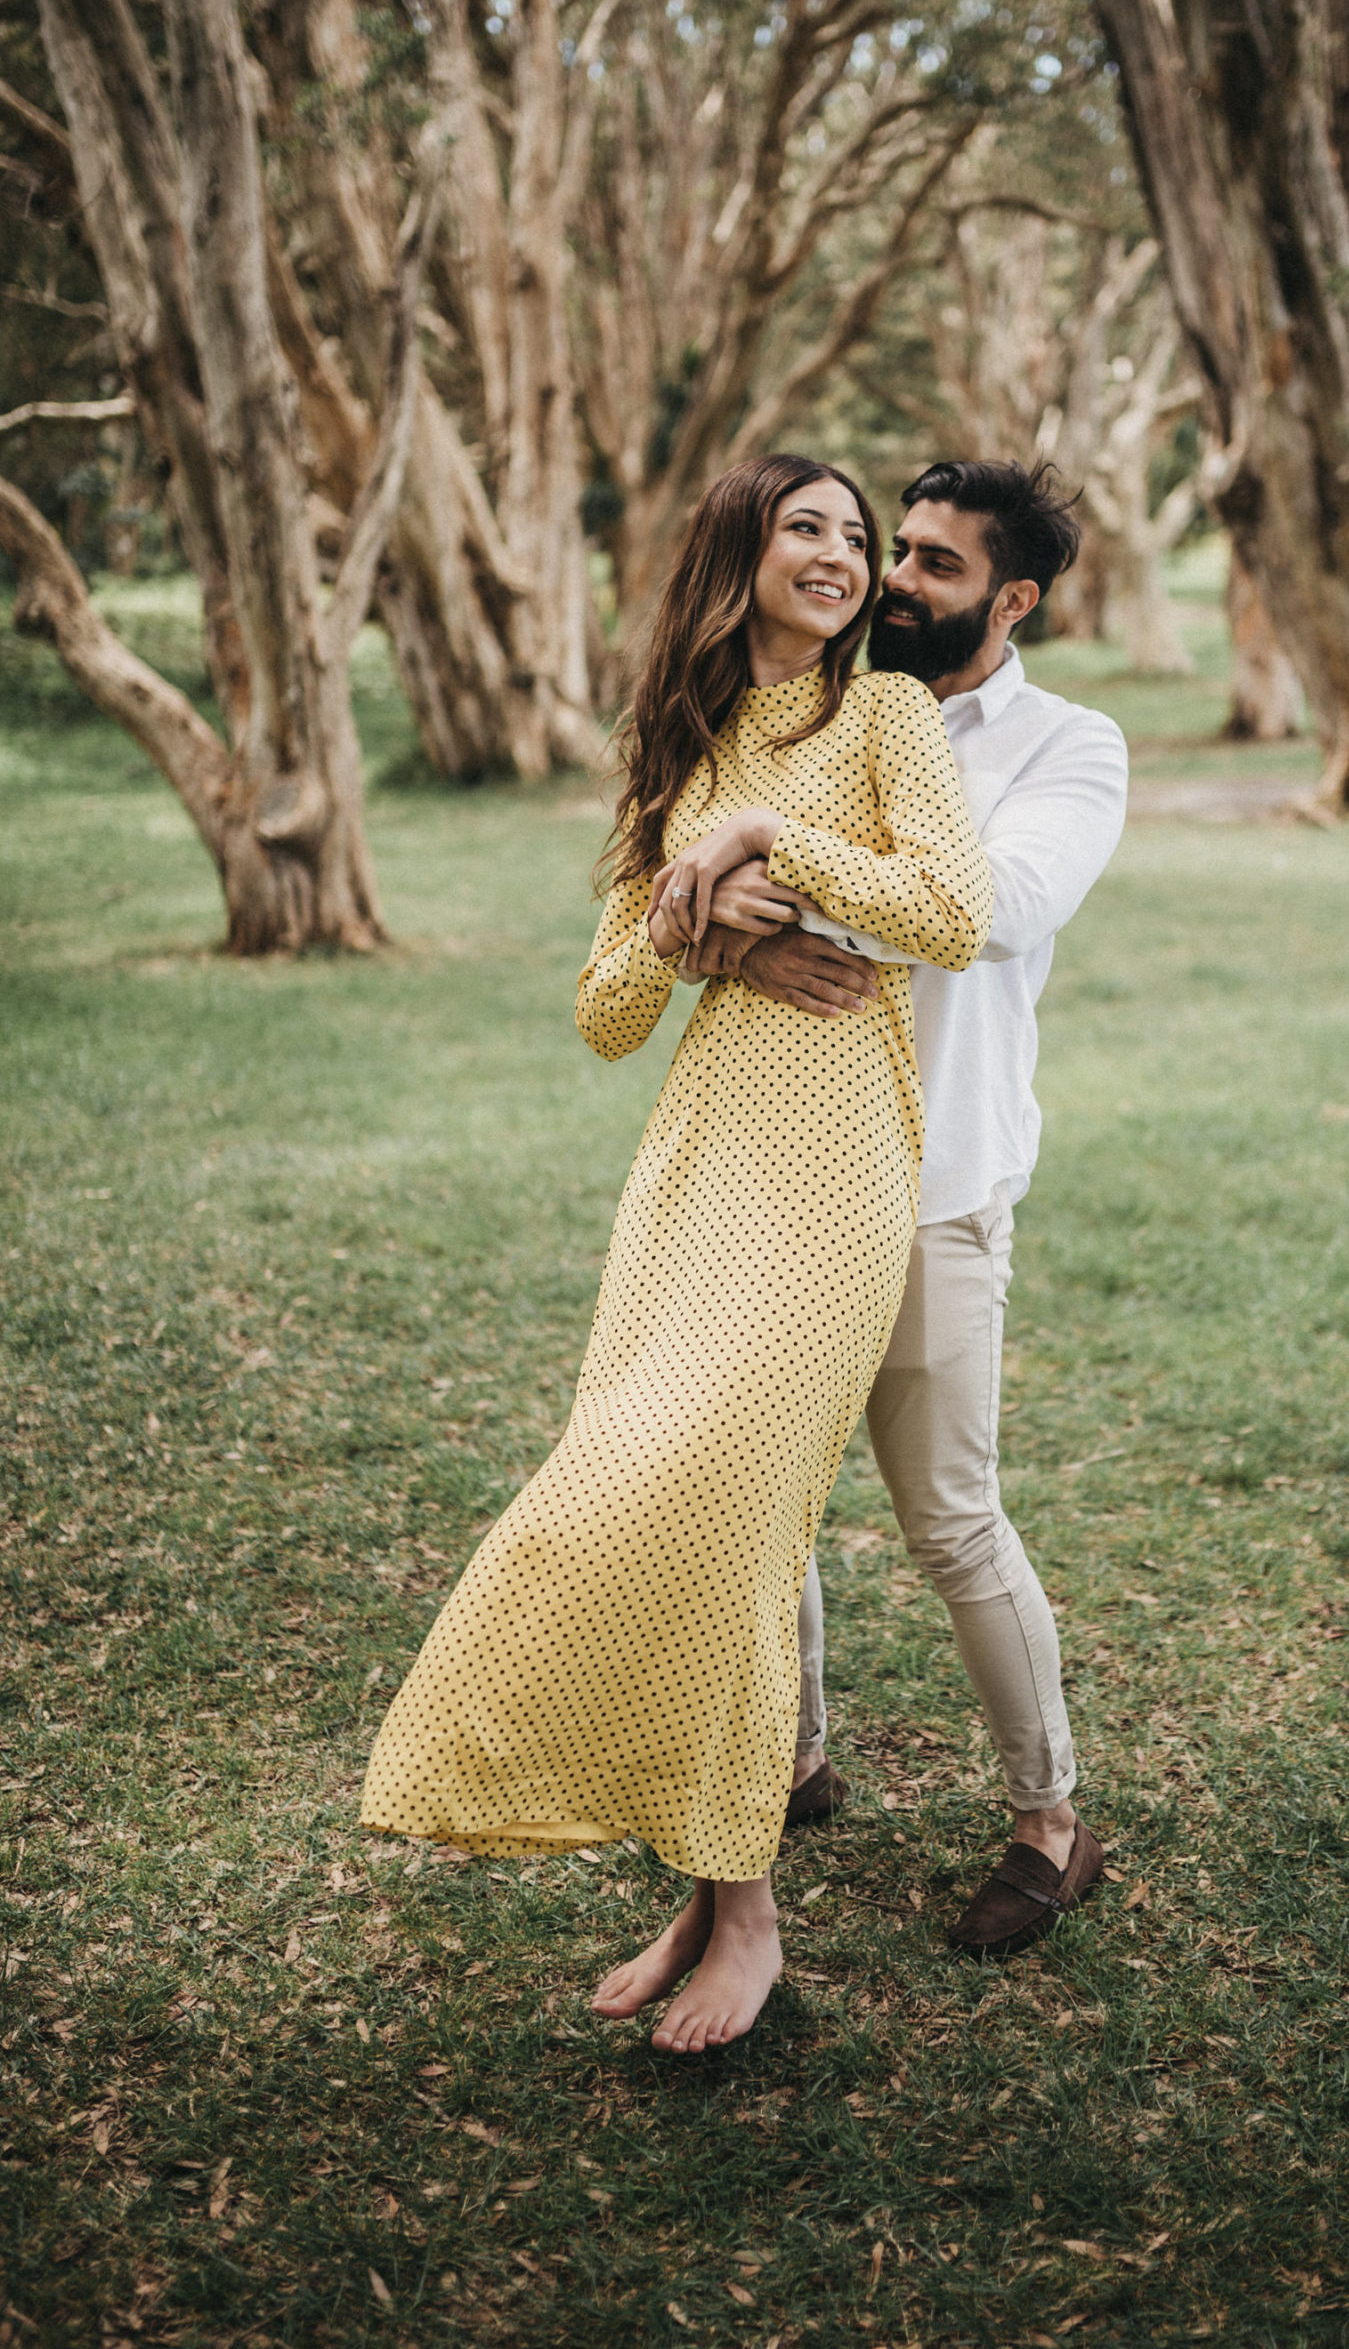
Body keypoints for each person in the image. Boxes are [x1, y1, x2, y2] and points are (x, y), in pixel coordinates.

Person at [360, 455, 992, 2052]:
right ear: (739, 549)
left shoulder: (886, 724)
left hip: (840, 1157)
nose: (843, 557)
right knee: (653, 1488)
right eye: (810, 530)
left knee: (718, 1500)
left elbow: (951, 911)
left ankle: (749, 1914)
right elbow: (601, 1019)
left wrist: (779, 847)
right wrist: (679, 928)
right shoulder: (674, 747)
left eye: (858, 538)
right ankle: (710, 1896)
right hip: (698, 1167)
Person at [706, 460, 1129, 1955]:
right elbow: (681, 889)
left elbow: (989, 911)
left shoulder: (1070, 748)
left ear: (1010, 600)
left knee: (947, 1518)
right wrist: (731, 943)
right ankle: (793, 1757)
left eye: (935, 568)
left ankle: (1049, 1824)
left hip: (935, 1187)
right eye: (898, 551)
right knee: (765, 1503)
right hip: (771, 1174)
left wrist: (776, 859)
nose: (893, 582)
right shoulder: (808, 706)